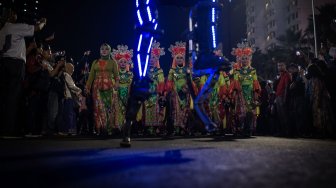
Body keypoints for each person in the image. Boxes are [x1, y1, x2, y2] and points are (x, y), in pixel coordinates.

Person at [0, 8, 46, 137]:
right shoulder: (14, 27)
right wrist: (42, 22)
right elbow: (36, 28)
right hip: (16, 64)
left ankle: (4, 127)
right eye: (14, 13)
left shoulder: (2, 30)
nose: (16, 15)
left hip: (4, 63)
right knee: (13, 97)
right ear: (10, 16)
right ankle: (9, 130)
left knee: (5, 96)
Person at [85, 43, 119, 136]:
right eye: (102, 49)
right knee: (99, 108)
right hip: (97, 88)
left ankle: (109, 129)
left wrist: (116, 84)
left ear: (110, 51)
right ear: (99, 51)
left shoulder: (113, 62)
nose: (104, 51)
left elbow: (117, 76)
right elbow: (91, 76)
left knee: (109, 108)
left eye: (106, 49)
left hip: (110, 88)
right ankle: (101, 129)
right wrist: (87, 87)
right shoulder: (95, 62)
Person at [230, 41, 261, 137]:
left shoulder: (253, 70)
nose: (244, 60)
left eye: (246, 58)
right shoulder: (237, 71)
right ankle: (241, 129)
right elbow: (235, 84)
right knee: (240, 112)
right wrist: (235, 94)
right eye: (242, 59)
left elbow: (255, 83)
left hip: (250, 94)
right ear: (240, 60)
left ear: (249, 59)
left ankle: (249, 130)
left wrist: (256, 95)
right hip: (240, 94)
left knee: (250, 112)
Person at [166, 41, 192, 135]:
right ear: (175, 59)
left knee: (185, 110)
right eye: (178, 58)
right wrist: (172, 90)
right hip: (176, 94)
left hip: (186, 94)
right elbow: (169, 82)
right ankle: (176, 129)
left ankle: (184, 129)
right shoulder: (172, 70)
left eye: (181, 58)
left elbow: (190, 80)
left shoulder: (187, 69)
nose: (180, 59)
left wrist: (186, 88)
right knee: (176, 111)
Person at [141, 41, 165, 135]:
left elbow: (162, 83)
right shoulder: (144, 71)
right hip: (146, 93)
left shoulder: (159, 71)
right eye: (150, 58)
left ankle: (155, 128)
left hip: (155, 94)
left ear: (157, 59)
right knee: (146, 111)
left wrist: (159, 92)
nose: (151, 60)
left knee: (156, 110)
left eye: (154, 58)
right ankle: (147, 128)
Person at [111, 45, 133, 131]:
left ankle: (126, 128)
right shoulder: (115, 74)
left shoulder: (130, 74)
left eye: (124, 62)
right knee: (117, 110)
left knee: (126, 111)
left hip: (127, 94)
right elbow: (113, 83)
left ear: (127, 63)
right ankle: (117, 127)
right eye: (121, 62)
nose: (123, 64)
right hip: (117, 94)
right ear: (118, 63)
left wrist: (129, 92)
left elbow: (131, 84)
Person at [62, 62, 82, 135]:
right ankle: (69, 129)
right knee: (69, 114)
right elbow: (71, 86)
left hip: (69, 97)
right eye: (71, 68)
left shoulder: (67, 75)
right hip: (69, 97)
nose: (73, 70)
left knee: (70, 114)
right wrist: (79, 90)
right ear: (67, 68)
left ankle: (70, 129)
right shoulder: (67, 75)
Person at [274, 61, 291, 136]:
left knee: (284, 115)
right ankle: (283, 131)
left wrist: (285, 98)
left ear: (285, 66)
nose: (280, 67)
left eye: (281, 65)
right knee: (280, 115)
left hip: (282, 96)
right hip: (278, 96)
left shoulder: (287, 74)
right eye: (278, 66)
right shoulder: (280, 76)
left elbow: (287, 86)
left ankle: (287, 132)